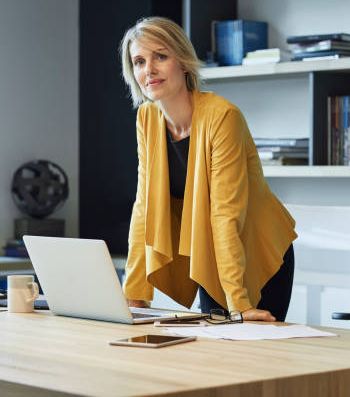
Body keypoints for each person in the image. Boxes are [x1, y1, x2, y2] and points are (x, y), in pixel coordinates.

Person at [119, 17, 297, 322]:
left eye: (160, 56)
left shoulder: (222, 117)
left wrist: (239, 303)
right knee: (215, 360)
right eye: (139, 61)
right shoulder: (147, 120)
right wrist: (133, 293)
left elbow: (225, 213)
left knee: (258, 359)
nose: (148, 69)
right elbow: (143, 208)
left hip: (255, 249)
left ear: (184, 62)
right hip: (210, 254)